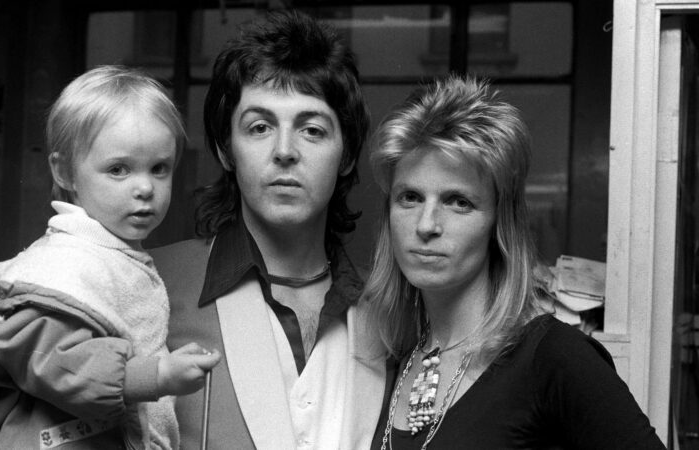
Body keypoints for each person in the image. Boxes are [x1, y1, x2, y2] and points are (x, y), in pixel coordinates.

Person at [0, 65, 221, 450]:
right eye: (119, 169)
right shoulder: (62, 266)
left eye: (159, 168)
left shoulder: (113, 254)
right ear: (65, 171)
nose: (145, 187)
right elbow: (52, 359)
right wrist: (156, 375)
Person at [363, 76, 666, 449]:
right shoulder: (390, 356)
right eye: (409, 197)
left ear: (498, 224)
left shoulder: (554, 358)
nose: (426, 225)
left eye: (458, 202)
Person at [149, 10, 386, 450]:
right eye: (259, 127)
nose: (284, 151)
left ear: (347, 155)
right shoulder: (150, 283)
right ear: (225, 150)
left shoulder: (390, 312)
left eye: (312, 130)